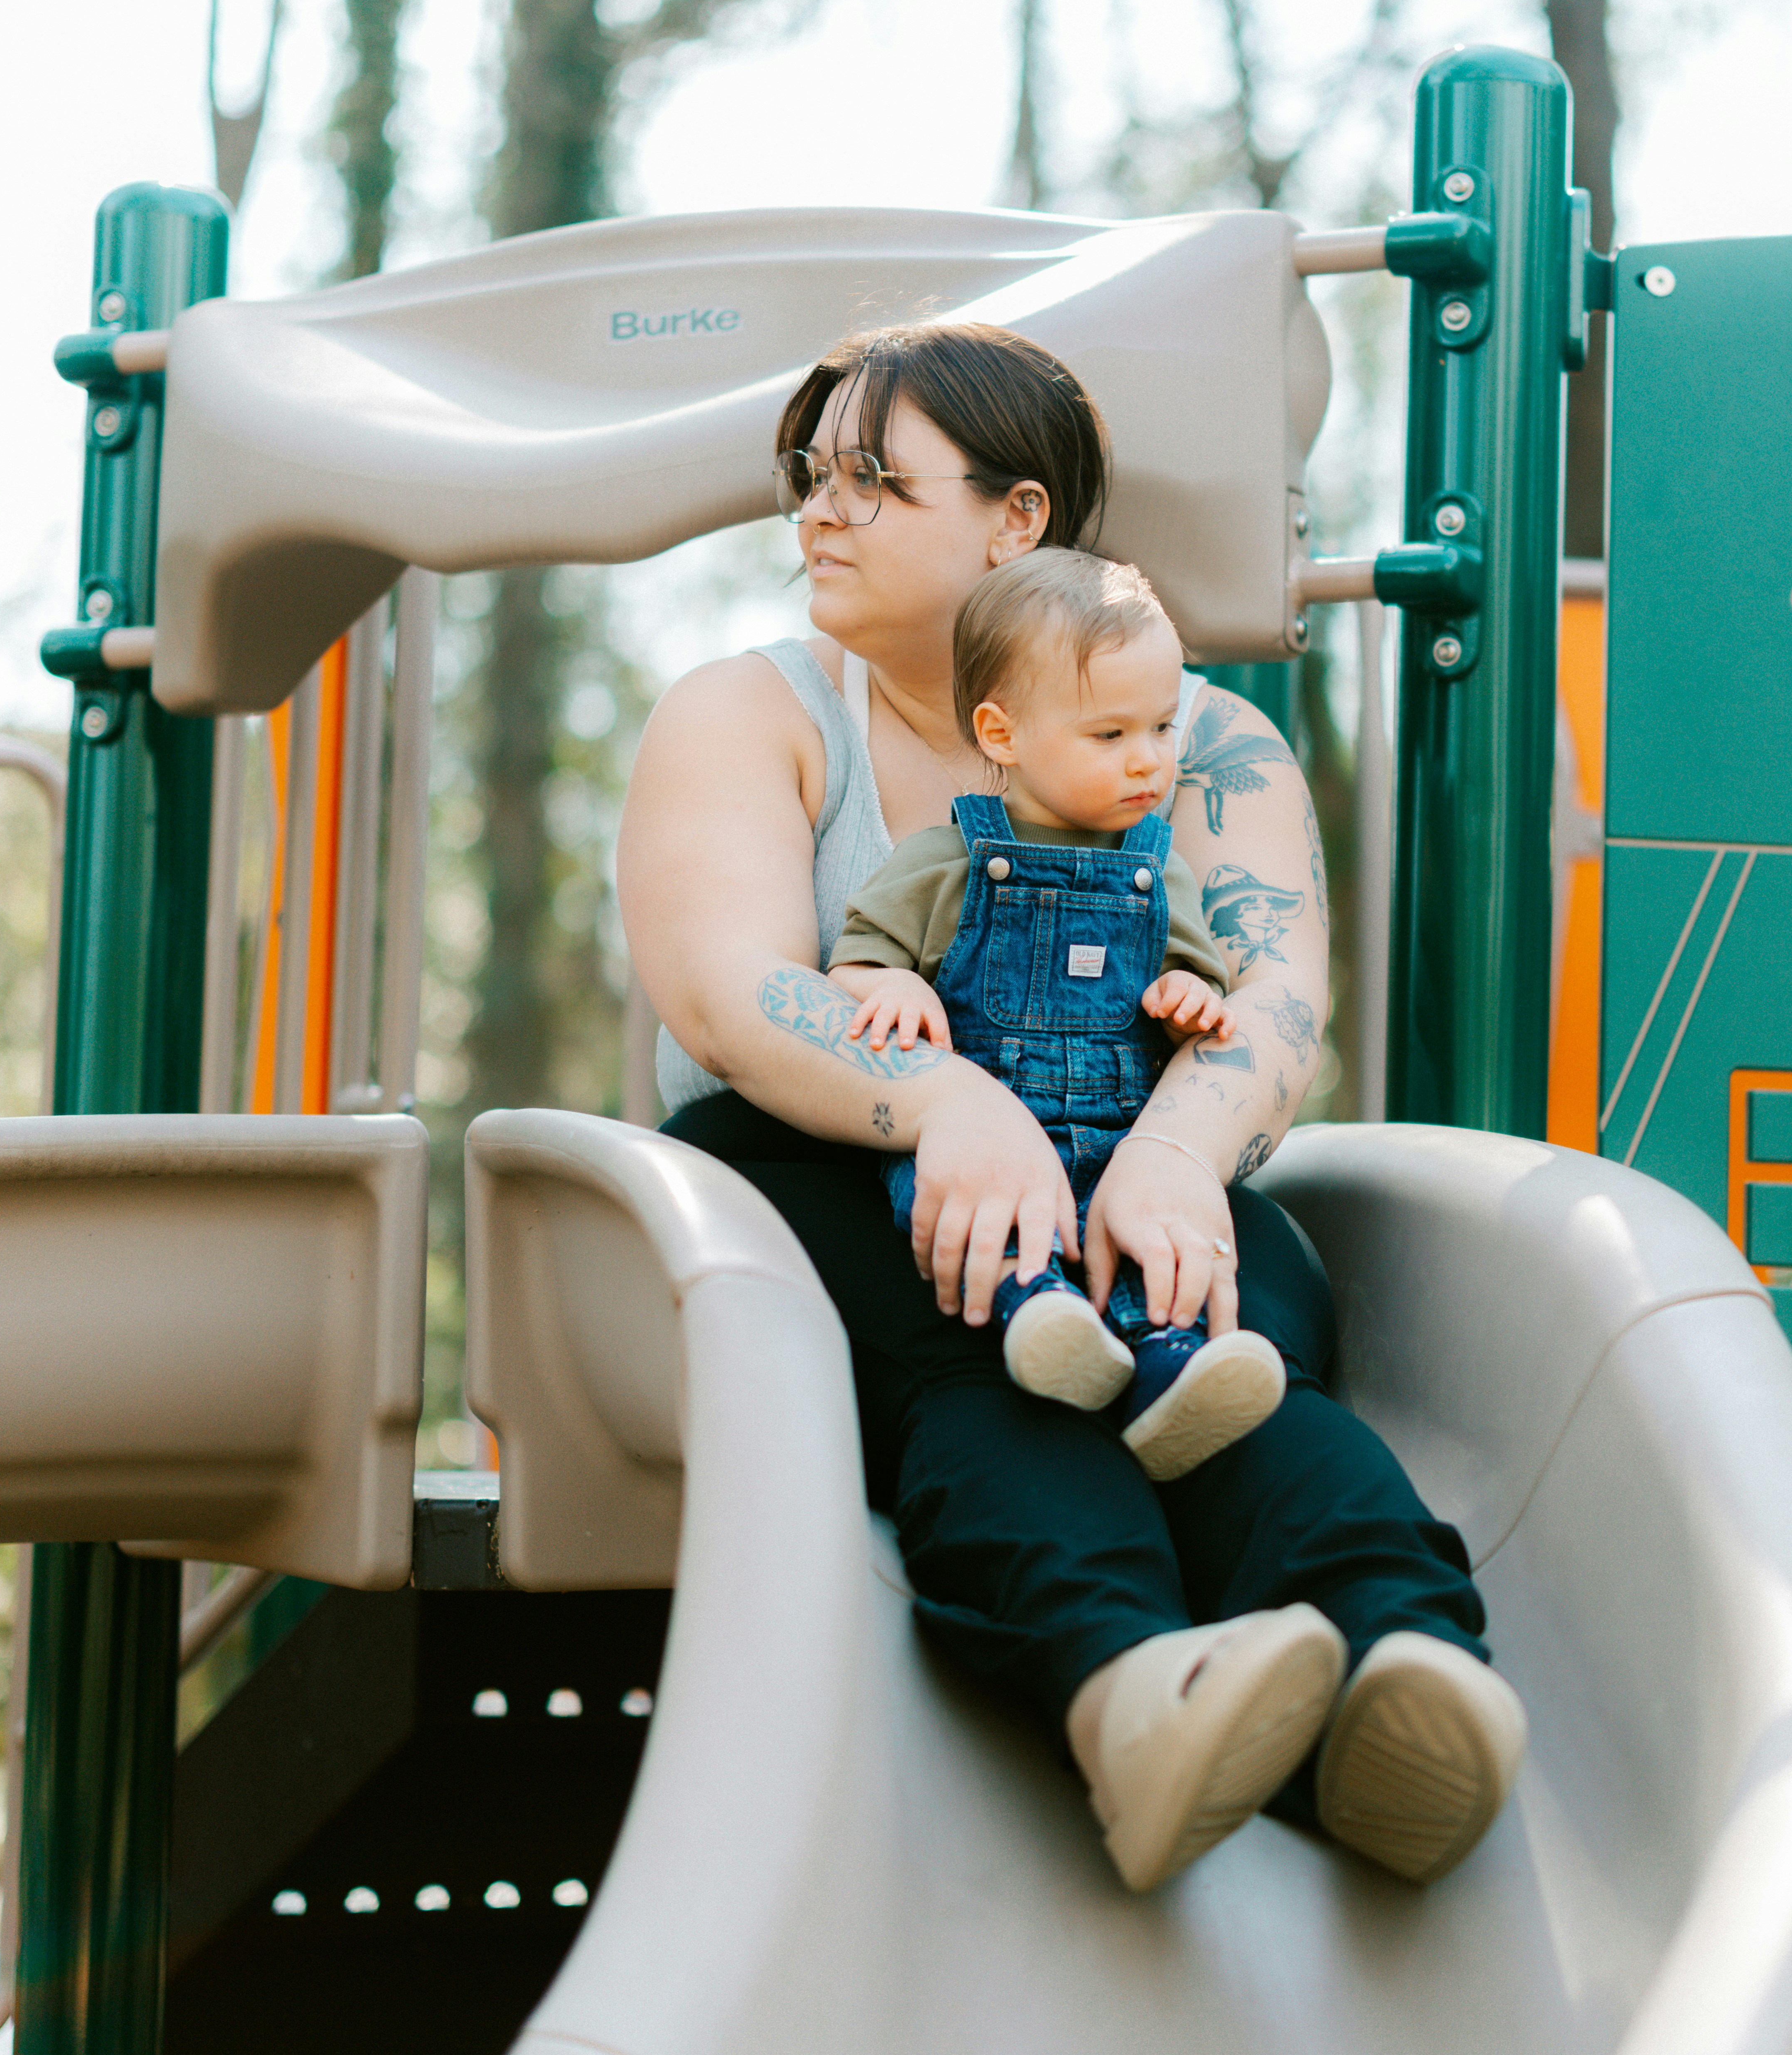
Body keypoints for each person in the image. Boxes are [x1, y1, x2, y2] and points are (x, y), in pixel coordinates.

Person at [618, 320, 1525, 1894]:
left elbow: (1269, 1004)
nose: (815, 512)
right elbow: (726, 993)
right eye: (809, 476)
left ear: (1015, 518)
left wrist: (1174, 1158)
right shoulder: (752, 714)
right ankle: (1124, 1687)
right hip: (832, 1189)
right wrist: (951, 1104)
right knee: (988, 1370)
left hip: (1126, 1161)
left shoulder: (1192, 741)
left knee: (1228, 1367)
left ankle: (1403, 1669)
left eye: (870, 480)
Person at [827, 549, 1290, 1482]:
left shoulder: (1162, 871)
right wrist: (894, 985)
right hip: (994, 1136)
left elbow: (1196, 971)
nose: (1149, 759)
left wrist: (1188, 1001)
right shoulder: (949, 858)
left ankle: (1167, 1362)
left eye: (1162, 726)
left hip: (1121, 1143)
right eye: (1110, 732)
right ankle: (1035, 1312)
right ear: (1002, 732)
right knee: (983, 1219)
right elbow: (855, 958)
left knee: (1149, 1245)